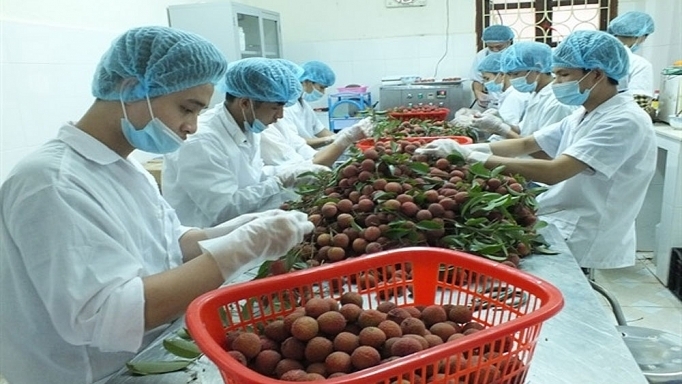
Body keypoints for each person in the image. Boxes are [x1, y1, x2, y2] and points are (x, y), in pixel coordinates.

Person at [0, 27, 313, 384]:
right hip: (94, 373)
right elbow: (108, 314)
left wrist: (232, 230)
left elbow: (168, 244)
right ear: (132, 88)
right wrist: (240, 249)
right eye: (187, 108)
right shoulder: (53, 183)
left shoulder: (124, 166)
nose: (193, 127)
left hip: (150, 350)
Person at [416, 30, 657, 270]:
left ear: (595, 74)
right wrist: (463, 147)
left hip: (587, 227)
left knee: (572, 290)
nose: (558, 83)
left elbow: (555, 170)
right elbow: (526, 143)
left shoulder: (623, 120)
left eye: (564, 75)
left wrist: (469, 156)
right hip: (564, 216)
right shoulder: (584, 114)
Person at [162, 58, 327, 227]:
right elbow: (224, 209)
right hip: (207, 241)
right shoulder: (201, 141)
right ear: (245, 103)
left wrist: (293, 173)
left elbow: (253, 178)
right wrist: (279, 182)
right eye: (275, 107)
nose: (280, 116)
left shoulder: (247, 127)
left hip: (242, 232)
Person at [260, 59, 374, 168]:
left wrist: (343, 138)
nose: (280, 115)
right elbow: (290, 167)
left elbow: (307, 144)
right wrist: (338, 139)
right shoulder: (275, 120)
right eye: (321, 87)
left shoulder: (301, 104)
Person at [472, 41, 576, 140]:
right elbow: (522, 131)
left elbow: (545, 151)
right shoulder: (535, 95)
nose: (512, 80)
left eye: (516, 74)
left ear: (538, 69)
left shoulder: (557, 103)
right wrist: (500, 122)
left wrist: (501, 129)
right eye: (510, 74)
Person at [280, 60, 339, 148]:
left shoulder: (303, 103)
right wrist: (333, 139)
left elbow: (319, 129)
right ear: (307, 81)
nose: (322, 92)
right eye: (321, 87)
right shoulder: (286, 107)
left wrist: (342, 137)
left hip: (308, 154)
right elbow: (295, 142)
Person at [607, 11, 656, 117]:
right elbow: (639, 106)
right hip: (619, 121)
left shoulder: (597, 56)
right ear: (641, 36)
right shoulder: (639, 64)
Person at [473, 51, 530, 140]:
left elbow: (508, 132)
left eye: (487, 78)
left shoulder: (514, 96)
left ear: (502, 74)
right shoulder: (508, 94)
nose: (485, 83)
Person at [468, 25, 515, 110]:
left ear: (509, 41)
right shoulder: (482, 56)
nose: (495, 50)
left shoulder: (518, 55)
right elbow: (477, 80)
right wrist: (478, 93)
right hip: (493, 105)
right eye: (491, 47)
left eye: (499, 47)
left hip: (514, 103)